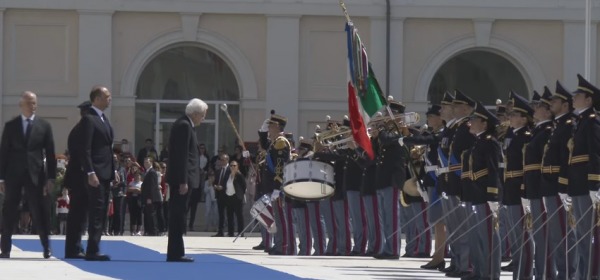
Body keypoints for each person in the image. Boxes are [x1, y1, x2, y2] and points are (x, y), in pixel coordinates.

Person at [0, 91, 56, 259]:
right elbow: (3, 153)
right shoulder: (11, 126)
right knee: (9, 211)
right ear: (21, 105)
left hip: (36, 175)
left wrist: (51, 178)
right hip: (13, 175)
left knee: (40, 211)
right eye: (29, 102)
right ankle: (5, 249)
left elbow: (51, 153)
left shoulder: (44, 126)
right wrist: (1, 177)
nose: (33, 106)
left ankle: (46, 247)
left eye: (34, 103)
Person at [165, 98, 207, 262]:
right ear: (195, 114)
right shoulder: (184, 125)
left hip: (184, 179)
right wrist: (183, 181)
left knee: (180, 216)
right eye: (202, 115)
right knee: (177, 216)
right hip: (182, 180)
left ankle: (177, 251)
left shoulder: (185, 124)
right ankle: (175, 253)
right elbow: (181, 156)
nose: (203, 118)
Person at [80, 86, 118, 261]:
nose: (109, 98)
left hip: (106, 172)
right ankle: (92, 250)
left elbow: (107, 148)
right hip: (96, 173)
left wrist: (114, 170)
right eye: (106, 96)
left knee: (102, 211)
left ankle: (95, 247)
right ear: (96, 99)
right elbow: (85, 149)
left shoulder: (103, 118)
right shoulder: (89, 119)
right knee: (96, 211)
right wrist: (90, 172)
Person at [568, 74, 600, 280]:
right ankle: (582, 274)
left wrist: (595, 184)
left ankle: (592, 275)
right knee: (580, 234)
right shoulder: (580, 122)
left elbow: (595, 154)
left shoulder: (592, 122)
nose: (574, 98)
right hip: (578, 184)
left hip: (587, 185)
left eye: (577, 95)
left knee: (588, 234)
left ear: (588, 100)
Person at [64, 101, 92, 259]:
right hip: (80, 177)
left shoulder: (78, 129)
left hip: (77, 177)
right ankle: (74, 248)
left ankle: (75, 247)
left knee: (79, 215)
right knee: (78, 215)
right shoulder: (82, 130)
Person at [141, 158, 164, 236]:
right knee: (148, 214)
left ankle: (154, 231)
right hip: (146, 197)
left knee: (152, 214)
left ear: (151, 163)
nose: (145, 164)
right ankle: (149, 230)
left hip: (151, 197)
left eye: (147, 162)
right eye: (144, 162)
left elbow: (152, 186)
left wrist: (150, 198)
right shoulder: (147, 172)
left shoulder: (152, 172)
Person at [225, 160, 246, 237]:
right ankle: (231, 232)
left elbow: (244, 186)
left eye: (234, 165)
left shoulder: (239, 175)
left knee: (239, 215)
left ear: (237, 166)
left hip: (237, 197)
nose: (233, 167)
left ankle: (241, 232)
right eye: (231, 165)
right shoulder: (228, 174)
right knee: (229, 215)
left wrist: (240, 194)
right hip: (229, 196)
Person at [212, 154, 230, 237]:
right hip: (219, 195)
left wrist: (223, 187)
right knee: (221, 214)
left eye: (223, 160)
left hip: (228, 194)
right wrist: (215, 186)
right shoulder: (218, 171)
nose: (221, 161)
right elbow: (215, 181)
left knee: (229, 213)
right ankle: (220, 231)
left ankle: (231, 231)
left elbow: (231, 182)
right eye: (221, 160)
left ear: (227, 160)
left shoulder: (230, 170)